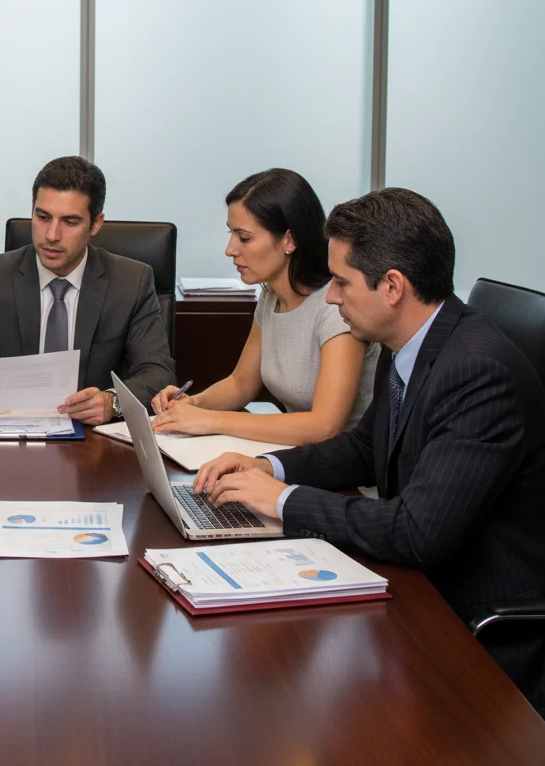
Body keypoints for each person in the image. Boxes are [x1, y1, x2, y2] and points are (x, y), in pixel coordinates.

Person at [196, 188, 545, 714]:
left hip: (471, 625)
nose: (331, 298)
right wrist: (268, 466)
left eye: (341, 282)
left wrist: (283, 499)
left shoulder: (477, 373)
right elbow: (364, 447)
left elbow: (416, 533)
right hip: (417, 583)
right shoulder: (408, 342)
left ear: (393, 286)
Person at [0, 156, 174, 423]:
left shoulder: (130, 282)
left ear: (95, 224)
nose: (51, 235)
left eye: (70, 222)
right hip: (8, 432)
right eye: (43, 217)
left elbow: (158, 374)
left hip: (93, 438)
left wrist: (112, 402)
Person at [151, 169, 378, 444]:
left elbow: (324, 426)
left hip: (346, 465)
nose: (230, 249)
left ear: (289, 240)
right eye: (231, 233)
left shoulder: (336, 306)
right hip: (299, 455)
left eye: (244, 238)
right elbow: (241, 383)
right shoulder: (271, 296)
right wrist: (191, 405)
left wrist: (211, 420)